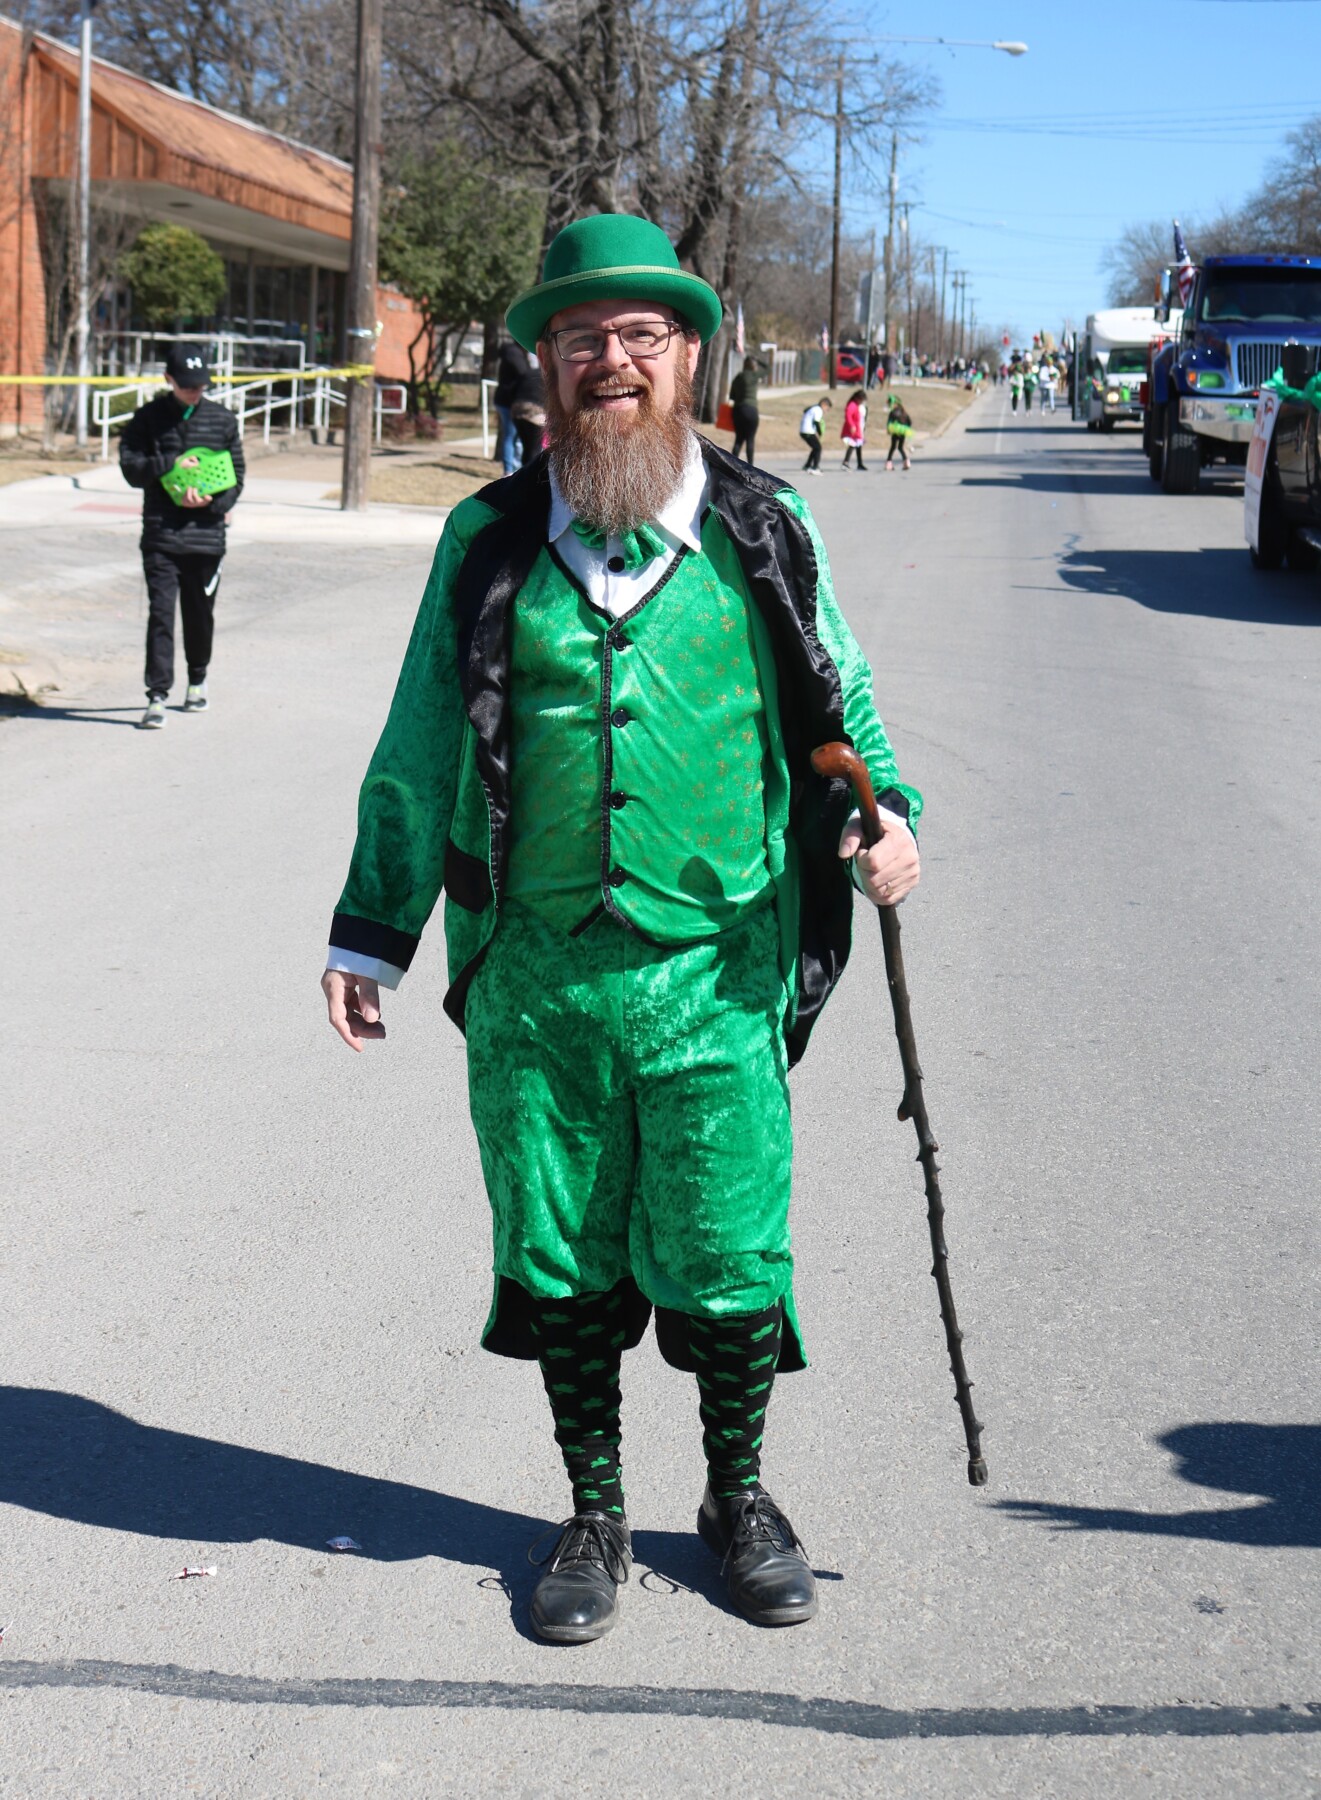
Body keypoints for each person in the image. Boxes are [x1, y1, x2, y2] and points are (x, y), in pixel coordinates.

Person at [320, 213, 922, 1647]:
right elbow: (420, 736)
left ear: (689, 356)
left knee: (727, 1242)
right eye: (582, 336)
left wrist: (884, 811)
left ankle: (736, 1496)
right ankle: (592, 1508)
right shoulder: (485, 537)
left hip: (718, 964)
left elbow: (840, 699)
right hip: (534, 978)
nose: (612, 360)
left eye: (641, 335)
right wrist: (370, 930)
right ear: (544, 362)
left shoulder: (765, 527)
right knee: (561, 1248)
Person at [119, 344, 244, 729]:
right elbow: (131, 468)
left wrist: (213, 502)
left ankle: (197, 679)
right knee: (160, 614)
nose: (194, 391)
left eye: (200, 385)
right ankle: (157, 695)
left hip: (206, 536)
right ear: (168, 379)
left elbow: (237, 476)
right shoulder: (147, 419)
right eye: (187, 385)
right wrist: (168, 463)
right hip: (161, 534)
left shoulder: (223, 420)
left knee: (199, 613)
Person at [493, 339, 536, 477]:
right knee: (510, 436)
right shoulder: (513, 353)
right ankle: (508, 470)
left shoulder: (515, 353)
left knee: (516, 437)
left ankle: (515, 469)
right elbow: (524, 373)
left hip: (512, 401)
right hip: (507, 402)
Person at [507, 352, 547, 467]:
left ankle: (525, 471)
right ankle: (533, 475)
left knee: (526, 446)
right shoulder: (548, 377)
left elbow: (512, 390)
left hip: (517, 410)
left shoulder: (527, 373)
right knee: (535, 448)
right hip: (535, 412)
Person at [728, 355, 761, 463]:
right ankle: (750, 466)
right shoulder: (755, 376)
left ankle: (732, 464)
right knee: (750, 440)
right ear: (754, 366)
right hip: (751, 410)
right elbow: (768, 369)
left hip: (738, 410)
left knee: (738, 440)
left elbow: (732, 396)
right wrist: (758, 360)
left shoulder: (738, 377)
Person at [798, 395, 831, 472]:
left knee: (815, 448)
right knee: (818, 448)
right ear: (824, 404)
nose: (826, 411)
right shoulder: (818, 410)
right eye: (827, 408)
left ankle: (807, 465)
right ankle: (815, 467)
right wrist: (819, 433)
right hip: (807, 431)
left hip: (804, 431)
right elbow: (817, 422)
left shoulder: (814, 408)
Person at [883, 394, 913, 471]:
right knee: (900, 447)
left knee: (893, 447)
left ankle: (889, 463)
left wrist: (889, 430)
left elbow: (889, 422)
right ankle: (906, 462)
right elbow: (909, 422)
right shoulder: (904, 412)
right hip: (903, 431)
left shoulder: (892, 412)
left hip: (895, 431)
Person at [840, 388, 868, 469]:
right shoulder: (852, 405)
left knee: (858, 445)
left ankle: (859, 463)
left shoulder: (858, 405)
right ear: (857, 398)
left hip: (858, 428)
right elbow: (848, 416)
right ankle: (845, 462)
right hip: (854, 429)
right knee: (852, 444)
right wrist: (852, 425)